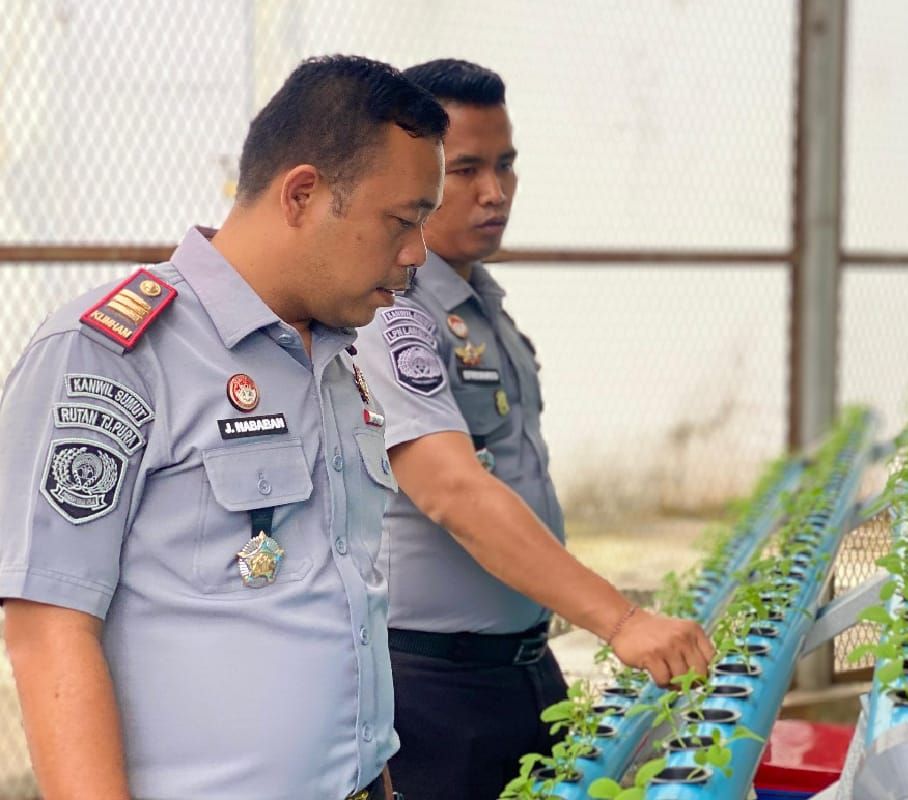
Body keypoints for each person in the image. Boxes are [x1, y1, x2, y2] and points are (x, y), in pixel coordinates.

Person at [0, 55, 447, 800]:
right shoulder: (112, 354)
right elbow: (47, 629)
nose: (416, 254)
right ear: (302, 193)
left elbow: (344, 602)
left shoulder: (343, 356)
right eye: (401, 222)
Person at [354, 58, 715, 800]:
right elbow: (451, 490)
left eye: (507, 166)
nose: (496, 192)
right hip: (435, 690)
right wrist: (620, 620)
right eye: (467, 170)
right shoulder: (391, 312)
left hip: (521, 666)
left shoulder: (481, 306)